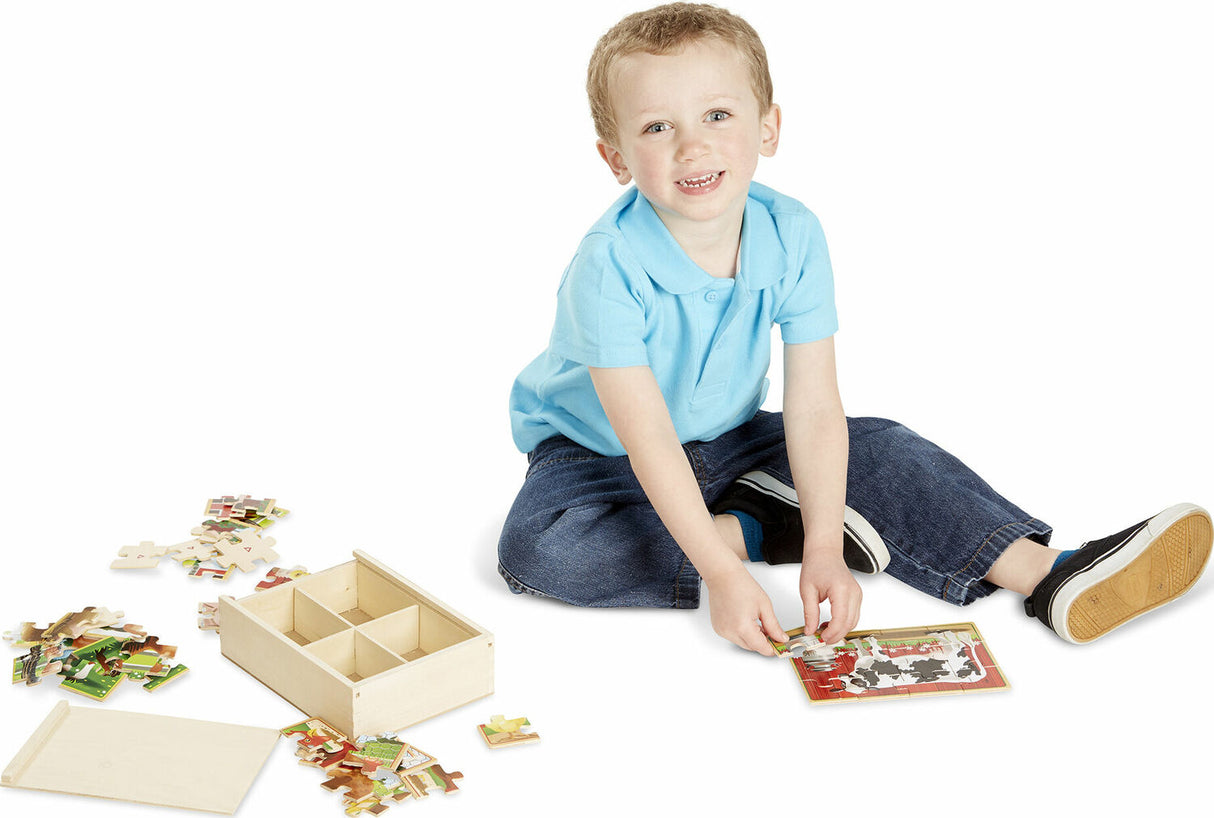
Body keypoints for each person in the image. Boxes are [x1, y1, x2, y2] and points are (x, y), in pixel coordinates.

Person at [497, 2, 1211, 655]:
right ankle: (752, 526)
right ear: (616, 157)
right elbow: (648, 439)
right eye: (658, 127)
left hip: (731, 438)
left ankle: (1051, 575)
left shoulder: (794, 232)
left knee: (882, 446)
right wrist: (720, 574)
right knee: (540, 552)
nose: (692, 147)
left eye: (718, 115)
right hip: (599, 457)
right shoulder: (609, 265)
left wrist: (823, 554)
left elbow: (811, 404)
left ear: (768, 126)